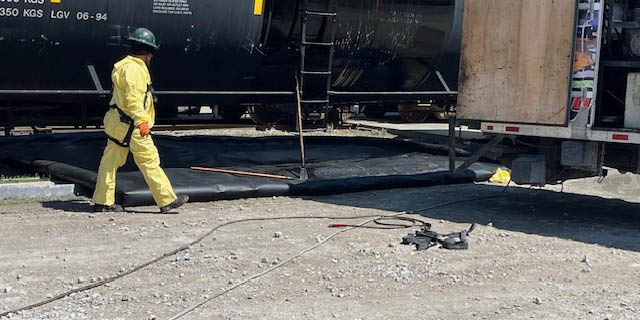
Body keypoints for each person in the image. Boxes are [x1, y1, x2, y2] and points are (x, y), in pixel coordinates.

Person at [92, 27, 189, 214]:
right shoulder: (134, 70)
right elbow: (134, 99)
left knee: (109, 162)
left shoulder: (122, 66)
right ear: (148, 52)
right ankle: (166, 200)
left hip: (118, 123)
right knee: (149, 161)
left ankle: (102, 202)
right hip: (133, 124)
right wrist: (142, 121)